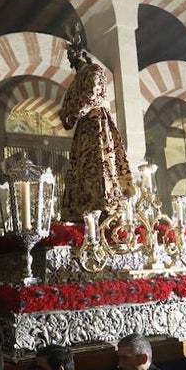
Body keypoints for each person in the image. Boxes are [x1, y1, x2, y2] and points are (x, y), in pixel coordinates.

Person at [58, 23, 134, 222]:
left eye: (74, 55)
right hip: (83, 130)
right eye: (70, 58)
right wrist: (69, 113)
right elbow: (65, 111)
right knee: (83, 169)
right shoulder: (74, 83)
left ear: (81, 54)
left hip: (98, 124)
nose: (72, 60)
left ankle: (107, 207)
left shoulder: (94, 70)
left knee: (102, 164)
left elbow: (92, 95)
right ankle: (85, 212)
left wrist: (73, 111)